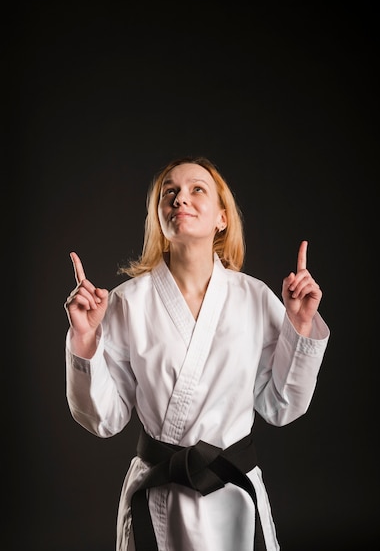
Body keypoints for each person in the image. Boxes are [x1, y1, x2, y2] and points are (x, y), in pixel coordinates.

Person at [64, 155, 330, 551]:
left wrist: (301, 327)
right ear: (159, 216)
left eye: (196, 189)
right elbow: (104, 418)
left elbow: (281, 404)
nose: (179, 198)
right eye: (169, 192)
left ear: (222, 217)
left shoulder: (254, 298)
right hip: (160, 494)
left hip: (232, 495)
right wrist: (85, 339)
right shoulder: (126, 303)